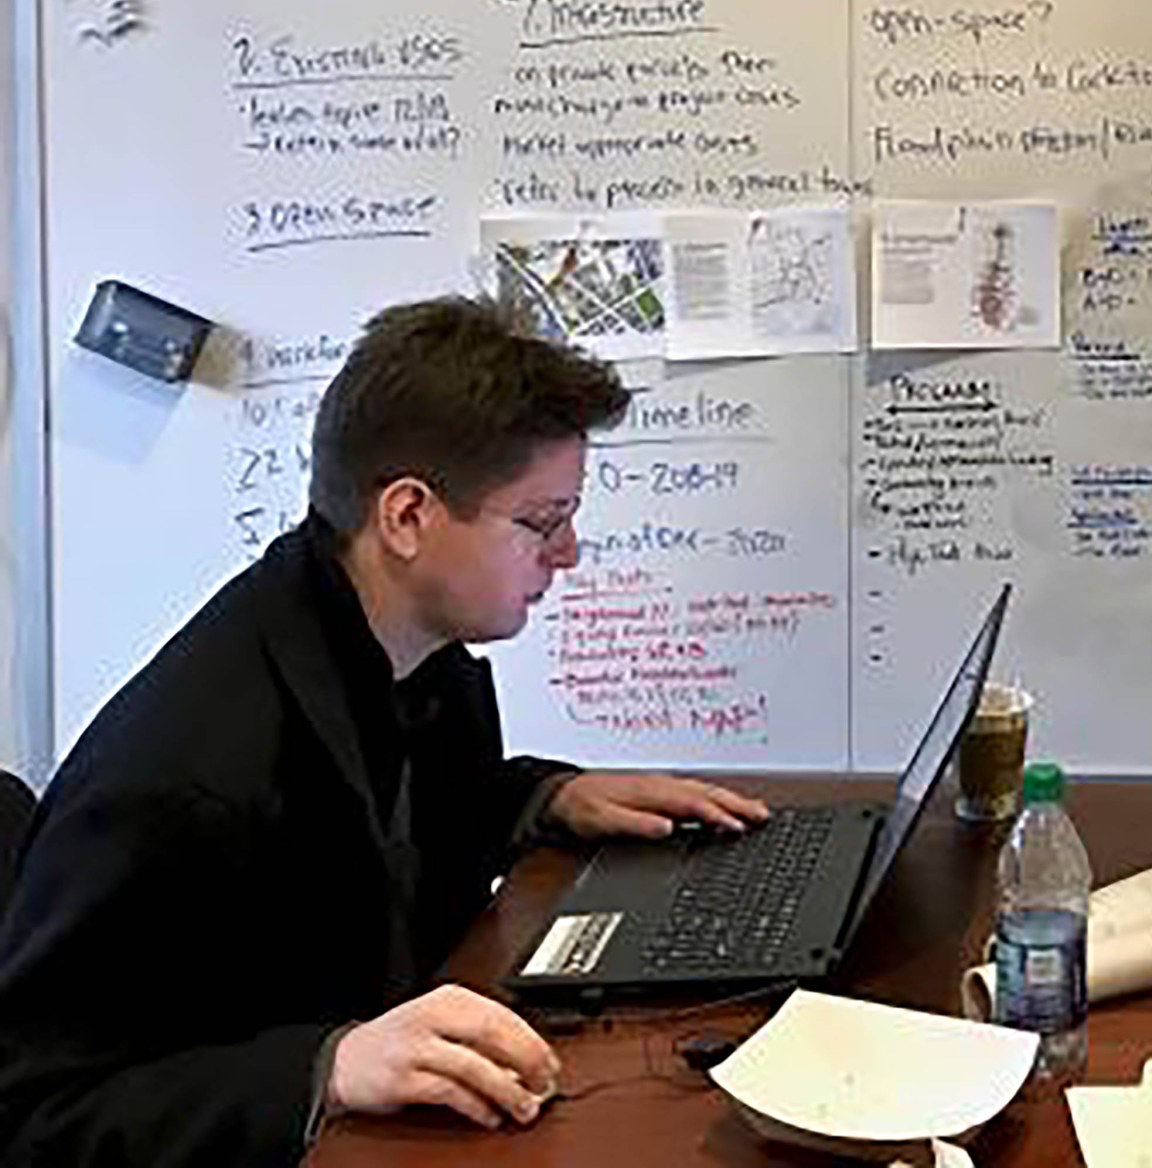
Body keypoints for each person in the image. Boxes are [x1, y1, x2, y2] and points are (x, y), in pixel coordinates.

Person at [0, 296, 772, 1166]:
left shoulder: (404, 646)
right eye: (543, 522)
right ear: (406, 516)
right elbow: (35, 1115)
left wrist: (544, 798)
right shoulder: (186, 775)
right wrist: (323, 1067)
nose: (569, 554)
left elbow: (389, 841)